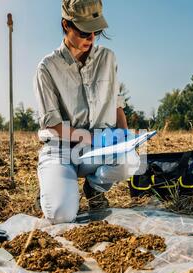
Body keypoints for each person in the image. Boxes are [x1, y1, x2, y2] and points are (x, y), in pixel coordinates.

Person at [34, 0, 141, 224]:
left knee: (130, 161)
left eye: (96, 31)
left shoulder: (108, 58)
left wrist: (125, 137)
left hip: (98, 148)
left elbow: (116, 104)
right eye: (84, 32)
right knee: (62, 215)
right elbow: (53, 124)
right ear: (66, 25)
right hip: (61, 149)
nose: (91, 38)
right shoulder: (47, 67)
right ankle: (53, 187)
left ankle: (95, 188)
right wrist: (94, 138)